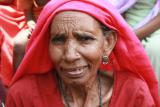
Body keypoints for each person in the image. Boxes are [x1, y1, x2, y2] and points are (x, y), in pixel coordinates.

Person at [5, 0, 159, 107]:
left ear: (108, 43)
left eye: (85, 39)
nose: (70, 55)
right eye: (58, 40)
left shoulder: (133, 93)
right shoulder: (23, 96)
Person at [109, 0, 160, 93]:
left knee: (155, 49)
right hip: (125, 27)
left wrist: (131, 37)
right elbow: (115, 8)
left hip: (155, 28)